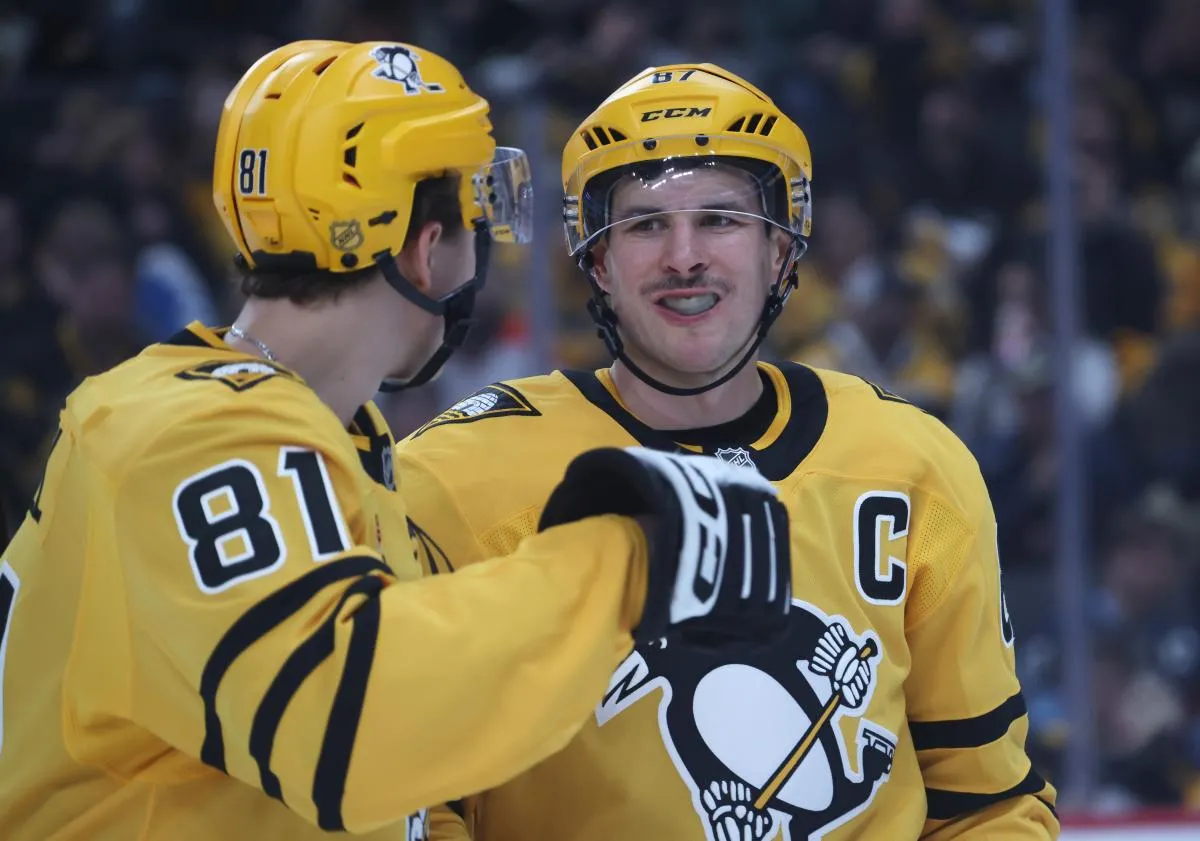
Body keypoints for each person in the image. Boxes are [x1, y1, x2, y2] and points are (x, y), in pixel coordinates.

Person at [0, 43, 795, 841]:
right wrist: (626, 557)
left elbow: (400, 802)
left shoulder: (333, 438)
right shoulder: (187, 434)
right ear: (426, 245)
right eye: (479, 217)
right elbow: (347, 734)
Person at [396, 63, 1060, 840]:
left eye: (720, 219)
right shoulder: (451, 479)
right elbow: (415, 807)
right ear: (597, 261)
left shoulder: (913, 464)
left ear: (781, 251)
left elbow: (987, 802)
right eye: (644, 224)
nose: (684, 257)